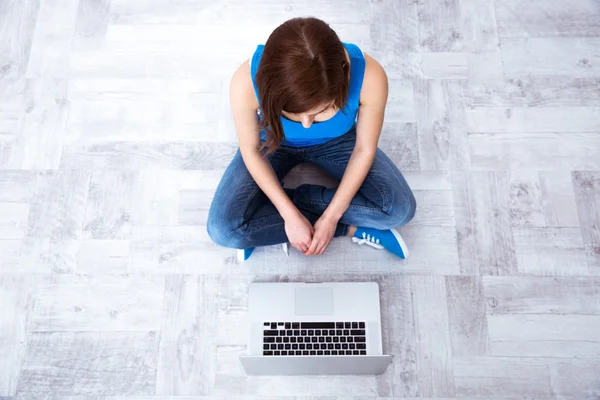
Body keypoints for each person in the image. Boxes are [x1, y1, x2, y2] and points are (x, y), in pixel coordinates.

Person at [207, 17, 416, 261]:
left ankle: (267, 217)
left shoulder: (370, 76)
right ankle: (350, 228)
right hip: (273, 142)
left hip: (337, 143)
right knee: (223, 230)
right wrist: (289, 215)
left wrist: (331, 217)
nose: (306, 124)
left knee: (399, 211)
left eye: (320, 112)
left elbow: (364, 150)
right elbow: (251, 150)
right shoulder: (245, 81)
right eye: (293, 114)